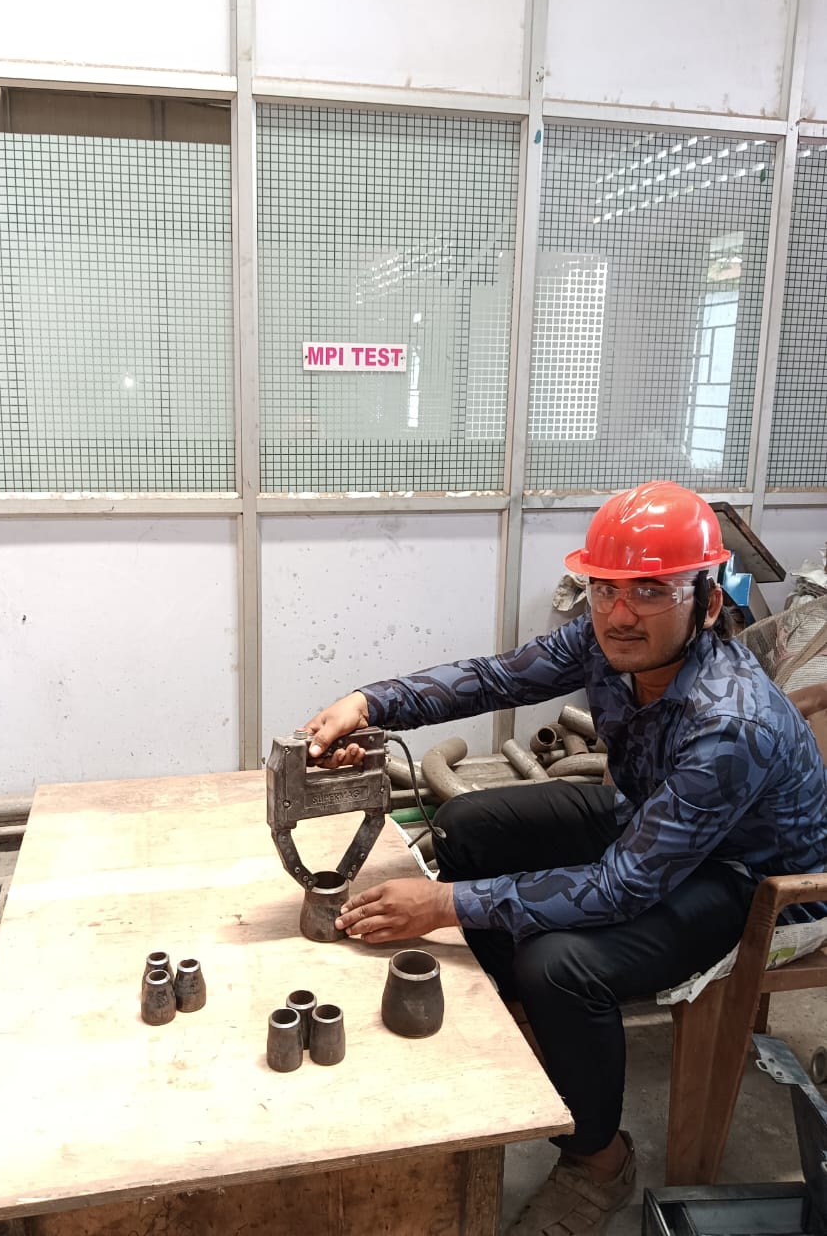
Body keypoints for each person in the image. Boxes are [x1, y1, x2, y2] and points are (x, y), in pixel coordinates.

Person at [302, 481, 827, 1236]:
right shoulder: (605, 640)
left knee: (560, 964)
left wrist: (444, 904)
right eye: (605, 588)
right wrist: (369, 701)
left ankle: (598, 1160)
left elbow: (621, 887)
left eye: (651, 590)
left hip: (754, 882)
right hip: (653, 823)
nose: (620, 613)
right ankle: (520, 1031)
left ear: (708, 603)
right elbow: (494, 678)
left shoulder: (729, 724)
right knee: (469, 824)